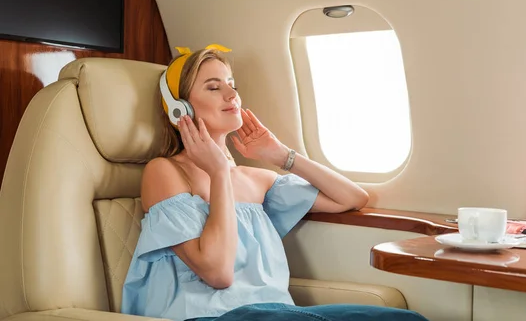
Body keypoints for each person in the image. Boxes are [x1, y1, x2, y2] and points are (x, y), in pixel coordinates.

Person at [121, 45, 429, 321]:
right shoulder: (164, 172)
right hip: (208, 316)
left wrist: (281, 155)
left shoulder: (255, 180)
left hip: (273, 311)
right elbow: (218, 273)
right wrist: (218, 173)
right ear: (181, 110)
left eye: (232, 85)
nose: (232, 96)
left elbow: (351, 198)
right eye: (214, 88)